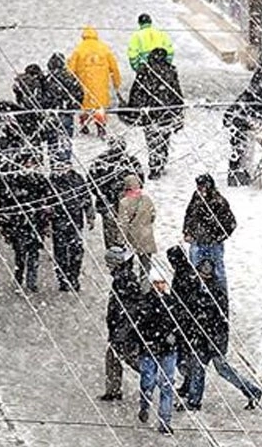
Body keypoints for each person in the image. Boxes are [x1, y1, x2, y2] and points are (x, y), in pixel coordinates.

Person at [177, 256, 262, 411]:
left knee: (222, 369)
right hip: (201, 337)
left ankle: (252, 390)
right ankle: (194, 401)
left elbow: (220, 317)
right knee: (198, 368)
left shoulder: (216, 290)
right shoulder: (195, 287)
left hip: (214, 337)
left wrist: (213, 334)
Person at [0, 149, 51, 292]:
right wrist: (4, 224)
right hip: (19, 224)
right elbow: (6, 203)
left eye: (33, 163)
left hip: (35, 223)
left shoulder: (40, 180)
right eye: (28, 163)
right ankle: (19, 279)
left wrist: (45, 218)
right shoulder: (13, 180)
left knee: (33, 254)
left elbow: (48, 199)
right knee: (20, 254)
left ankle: (31, 281)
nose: (31, 166)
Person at [124, 47, 183, 179]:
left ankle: (155, 165)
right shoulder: (170, 71)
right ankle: (161, 161)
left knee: (152, 140)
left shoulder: (145, 72)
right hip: (165, 113)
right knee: (164, 139)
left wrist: (133, 110)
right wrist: (178, 111)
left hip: (149, 113)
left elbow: (136, 92)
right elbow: (176, 93)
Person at [136, 269, 179, 435]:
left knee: (167, 385)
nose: (160, 286)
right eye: (157, 283)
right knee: (148, 381)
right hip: (151, 348)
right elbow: (141, 326)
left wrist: (173, 337)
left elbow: (179, 324)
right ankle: (145, 404)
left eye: (162, 283)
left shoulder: (172, 303)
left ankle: (165, 421)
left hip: (167, 350)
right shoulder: (145, 302)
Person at [99, 246, 143, 401]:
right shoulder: (123, 277)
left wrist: (120, 331)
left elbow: (129, 308)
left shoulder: (123, 280)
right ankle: (113, 390)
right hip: (122, 328)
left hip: (124, 330)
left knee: (130, 359)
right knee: (114, 358)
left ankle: (158, 379)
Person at [88, 136, 145, 250]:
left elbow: (139, 182)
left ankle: (118, 256)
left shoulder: (129, 161)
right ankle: (118, 257)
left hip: (119, 203)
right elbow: (92, 183)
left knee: (115, 232)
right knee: (118, 231)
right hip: (113, 203)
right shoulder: (129, 161)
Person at [181, 174, 235, 292]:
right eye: (198, 187)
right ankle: (196, 296)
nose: (200, 189)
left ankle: (221, 296)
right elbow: (189, 214)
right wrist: (187, 231)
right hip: (197, 241)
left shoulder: (219, 201)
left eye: (202, 187)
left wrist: (218, 237)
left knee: (218, 271)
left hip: (213, 243)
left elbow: (230, 223)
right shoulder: (196, 198)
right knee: (195, 271)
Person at [48, 156, 94, 291]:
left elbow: (86, 197)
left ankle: (74, 277)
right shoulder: (51, 181)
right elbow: (45, 202)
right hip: (58, 221)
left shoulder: (77, 179)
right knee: (60, 251)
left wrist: (90, 216)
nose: (61, 170)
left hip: (75, 220)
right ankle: (62, 279)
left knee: (76, 250)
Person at [68, 27, 121, 136]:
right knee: (99, 106)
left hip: (84, 83)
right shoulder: (104, 48)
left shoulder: (79, 49)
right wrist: (116, 82)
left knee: (85, 106)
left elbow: (70, 70)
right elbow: (114, 68)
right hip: (101, 85)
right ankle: (100, 125)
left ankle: (84, 124)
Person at [42, 52, 85, 160]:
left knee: (53, 142)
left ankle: (54, 163)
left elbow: (42, 97)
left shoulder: (48, 79)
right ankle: (65, 162)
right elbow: (80, 93)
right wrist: (73, 106)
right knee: (66, 140)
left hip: (52, 114)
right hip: (66, 114)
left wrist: (47, 107)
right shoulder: (70, 77)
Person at [116, 174, 156, 271]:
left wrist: (120, 240)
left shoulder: (124, 202)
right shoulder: (147, 199)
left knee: (127, 267)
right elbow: (153, 216)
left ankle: (130, 284)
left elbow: (123, 223)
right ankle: (145, 284)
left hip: (132, 238)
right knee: (146, 268)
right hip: (146, 237)